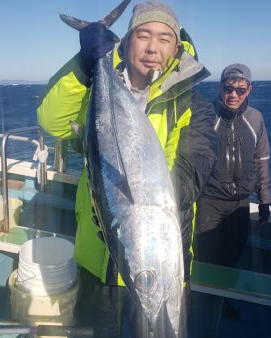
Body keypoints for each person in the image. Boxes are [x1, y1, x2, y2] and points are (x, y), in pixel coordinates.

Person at [37, 1, 217, 337]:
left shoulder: (192, 105)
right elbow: (51, 121)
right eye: (143, 35)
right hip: (96, 263)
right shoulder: (95, 91)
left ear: (176, 48)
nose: (152, 48)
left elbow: (194, 171)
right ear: (127, 41)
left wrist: (134, 203)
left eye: (164, 39)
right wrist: (83, 67)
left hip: (158, 265)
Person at [190, 63, 271, 337]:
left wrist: (264, 200)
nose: (233, 94)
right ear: (219, 88)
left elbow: (262, 161)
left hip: (240, 202)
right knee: (206, 257)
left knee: (233, 256)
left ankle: (221, 301)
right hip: (208, 200)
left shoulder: (256, 119)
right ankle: (200, 303)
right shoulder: (205, 115)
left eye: (240, 89)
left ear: (249, 90)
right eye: (228, 87)